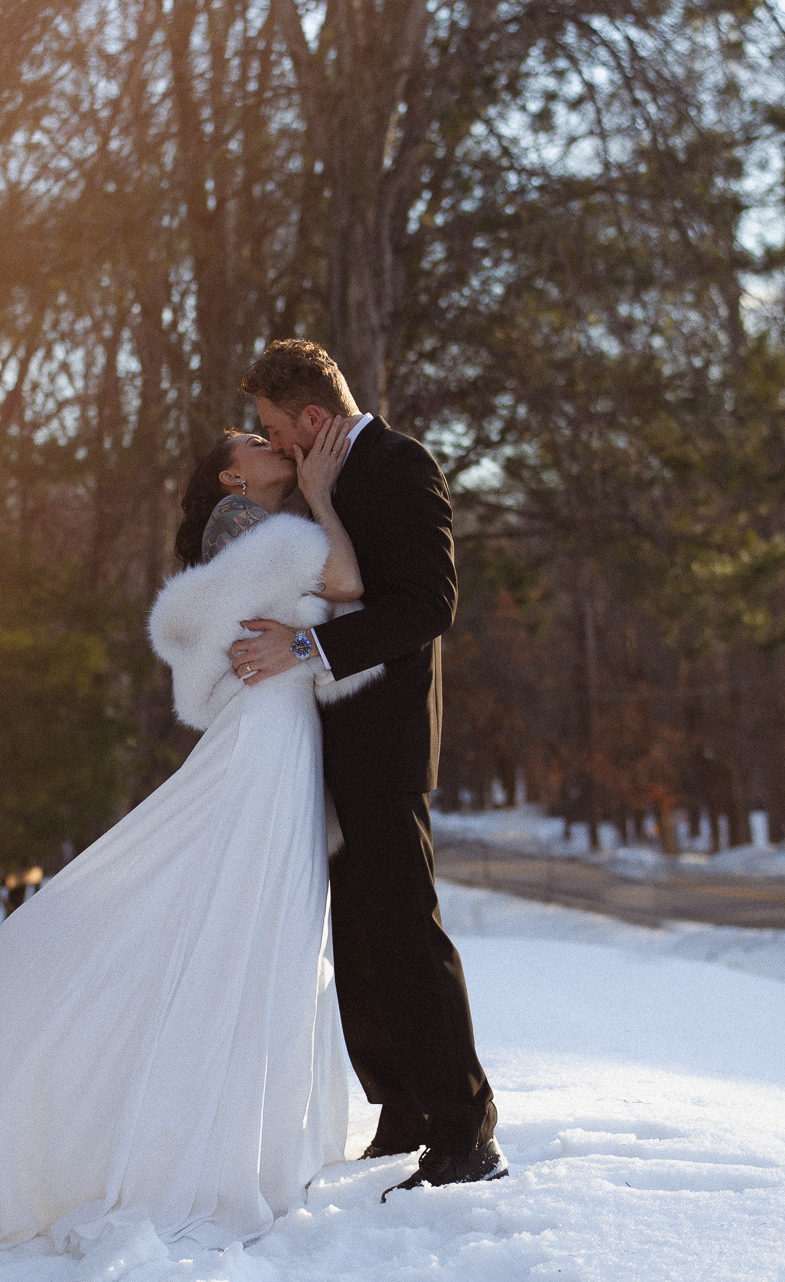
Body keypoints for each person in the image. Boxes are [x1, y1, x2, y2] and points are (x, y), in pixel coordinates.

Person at [0, 418, 374, 1257]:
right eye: (250, 440)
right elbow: (349, 581)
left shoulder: (251, 530)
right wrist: (321, 492)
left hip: (275, 735)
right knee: (236, 915)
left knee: (245, 919)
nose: (267, 441)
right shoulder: (265, 532)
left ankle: (232, 1122)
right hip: (265, 740)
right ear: (231, 480)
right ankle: (190, 1133)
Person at [225, 338, 505, 1194]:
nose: (271, 443)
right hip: (326, 743)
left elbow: (429, 604)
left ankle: (466, 1133)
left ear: (313, 417)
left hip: (385, 739)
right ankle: (405, 1108)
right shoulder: (317, 480)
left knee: (407, 936)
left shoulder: (399, 464)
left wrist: (309, 643)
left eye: (276, 428)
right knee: (360, 942)